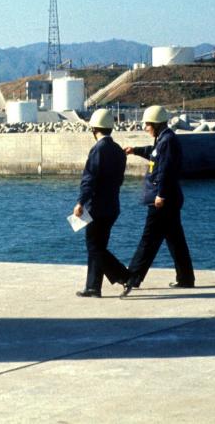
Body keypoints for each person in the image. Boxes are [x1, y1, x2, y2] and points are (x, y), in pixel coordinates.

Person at [121, 105, 195, 297]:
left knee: (149, 239)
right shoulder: (163, 139)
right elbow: (153, 153)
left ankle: (133, 278)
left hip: (163, 200)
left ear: (155, 123)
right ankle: (186, 278)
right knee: (175, 240)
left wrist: (160, 194)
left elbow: (167, 170)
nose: (145, 127)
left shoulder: (167, 140)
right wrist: (134, 150)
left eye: (147, 124)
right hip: (167, 198)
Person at [73, 109, 130, 297]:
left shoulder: (98, 149)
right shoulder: (118, 150)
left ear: (94, 129)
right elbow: (119, 180)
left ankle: (125, 276)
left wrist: (81, 202)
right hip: (112, 206)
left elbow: (90, 178)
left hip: (96, 207)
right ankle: (93, 287)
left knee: (94, 247)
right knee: (99, 246)